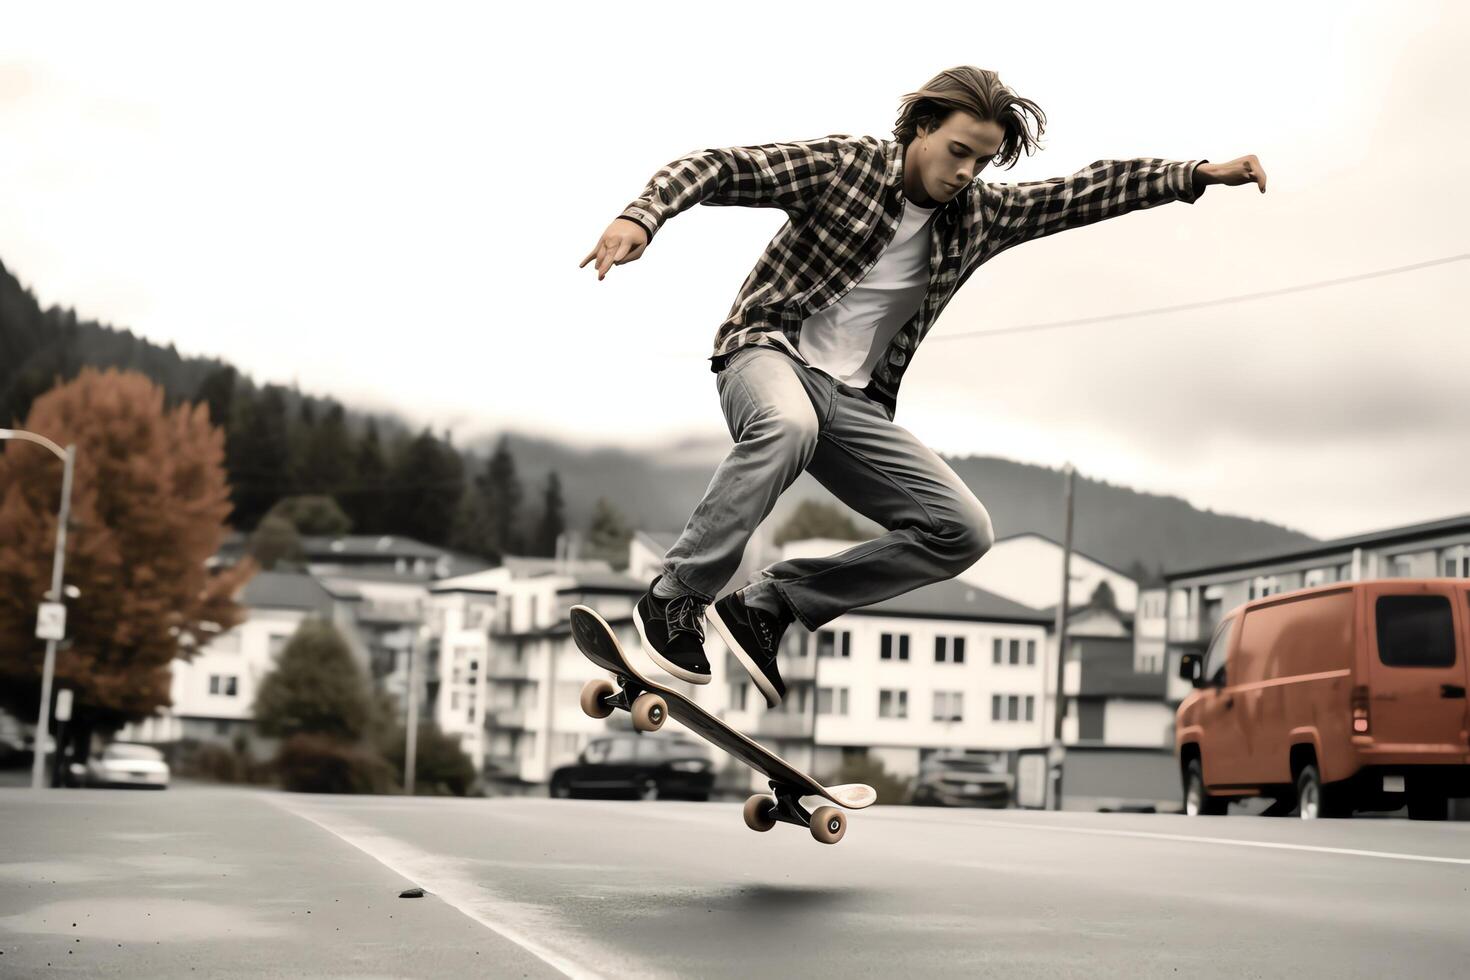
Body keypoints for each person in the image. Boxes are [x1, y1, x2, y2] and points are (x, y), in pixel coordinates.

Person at [579, 65, 1266, 709]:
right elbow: (720, 165)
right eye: (957, 151)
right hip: (766, 356)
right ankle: (677, 595)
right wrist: (644, 214)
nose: (965, 173)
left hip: (851, 405)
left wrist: (1196, 174)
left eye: (982, 161)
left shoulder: (979, 215)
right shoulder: (844, 167)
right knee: (789, 424)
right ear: (921, 128)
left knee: (963, 531)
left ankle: (770, 604)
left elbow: (1081, 192)